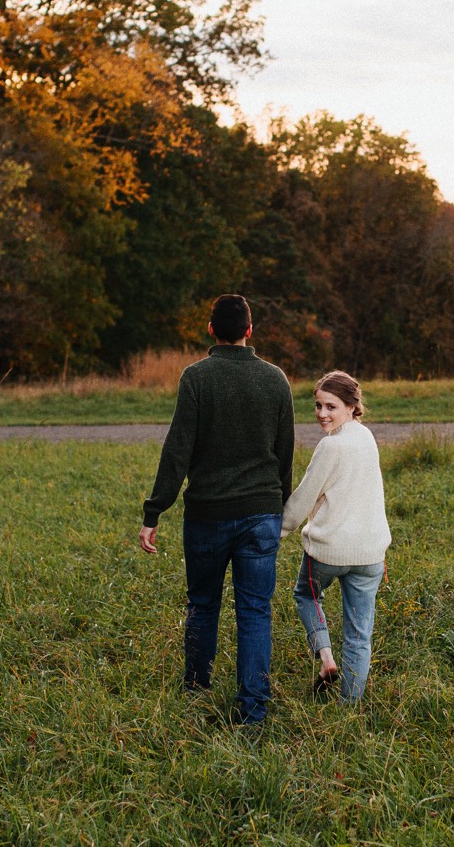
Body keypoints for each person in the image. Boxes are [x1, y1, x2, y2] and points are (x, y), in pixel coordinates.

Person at [138, 294, 295, 725]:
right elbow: (285, 454)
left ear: (210, 330)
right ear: (250, 331)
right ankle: (254, 712)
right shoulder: (276, 379)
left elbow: (177, 452)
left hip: (207, 514)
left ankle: (196, 693)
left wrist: (155, 511)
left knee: (203, 604)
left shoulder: (196, 378)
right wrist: (278, 505)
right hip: (263, 513)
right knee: (256, 610)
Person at [281, 370, 392, 703]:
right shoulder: (367, 437)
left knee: (305, 594)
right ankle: (349, 707)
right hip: (371, 553)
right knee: (359, 636)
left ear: (351, 406)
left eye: (331, 406)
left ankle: (326, 658)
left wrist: (280, 531)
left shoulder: (330, 446)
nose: (321, 414)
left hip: (329, 553)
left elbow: (305, 497)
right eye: (317, 406)